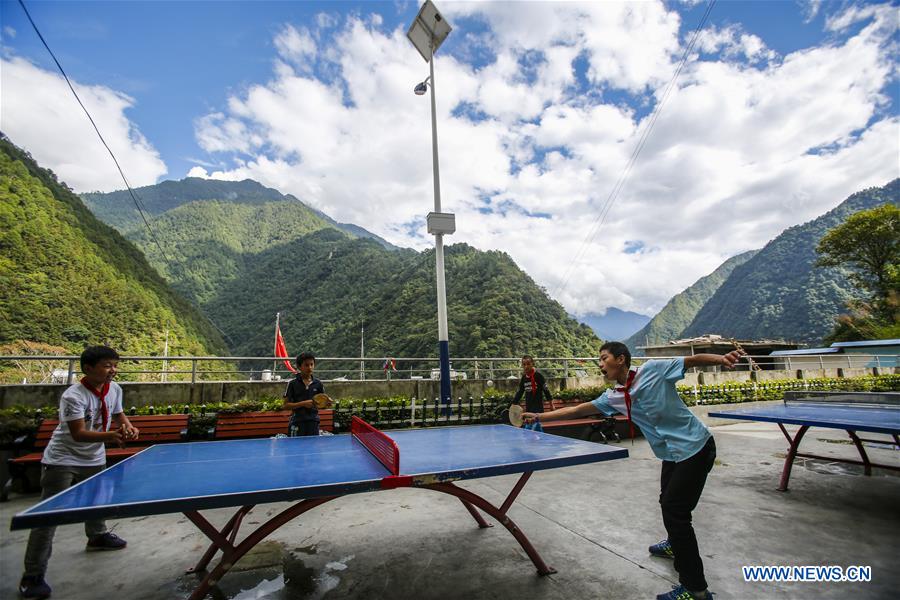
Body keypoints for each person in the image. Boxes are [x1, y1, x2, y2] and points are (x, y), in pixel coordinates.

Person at [523, 341, 742, 600]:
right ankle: (675, 544)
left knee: (675, 511)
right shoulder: (614, 396)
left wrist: (721, 359)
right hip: (671, 453)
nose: (600, 364)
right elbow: (579, 409)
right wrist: (539, 417)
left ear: (621, 359)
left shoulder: (653, 370)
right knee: (667, 503)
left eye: (604, 358)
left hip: (695, 447)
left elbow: (690, 361)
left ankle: (696, 590)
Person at [19, 345, 139, 599]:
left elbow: (117, 414)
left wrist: (127, 426)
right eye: (107, 366)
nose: (113, 371)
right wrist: (113, 435)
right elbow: (78, 433)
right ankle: (33, 575)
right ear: (88, 368)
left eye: (115, 365)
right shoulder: (73, 396)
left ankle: (97, 536)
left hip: (93, 457)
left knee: (98, 501)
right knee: (48, 517)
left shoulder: (114, 389)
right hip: (63, 460)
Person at [282, 352, 325, 437]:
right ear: (299, 367)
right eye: (306, 365)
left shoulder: (318, 384)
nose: (310, 367)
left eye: (311, 364)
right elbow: (285, 405)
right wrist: (303, 404)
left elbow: (322, 403)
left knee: (312, 449)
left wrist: (327, 403)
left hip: (313, 422)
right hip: (297, 422)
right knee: (295, 449)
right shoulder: (292, 384)